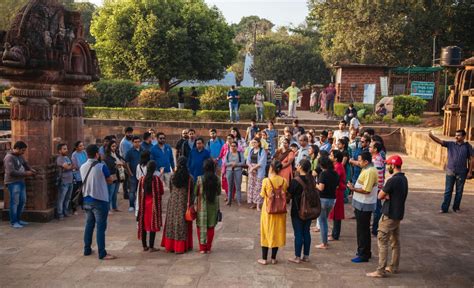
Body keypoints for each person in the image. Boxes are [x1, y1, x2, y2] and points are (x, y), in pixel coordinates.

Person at [367, 155, 408, 278]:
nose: (387, 167)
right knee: (395, 241)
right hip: (398, 214)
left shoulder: (392, 180)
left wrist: (385, 195)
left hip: (389, 214)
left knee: (382, 240)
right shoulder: (403, 179)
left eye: (389, 164)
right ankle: (394, 266)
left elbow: (380, 195)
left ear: (393, 166)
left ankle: (381, 270)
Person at [81, 144, 115, 260]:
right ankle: (102, 253)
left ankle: (87, 249)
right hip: (99, 200)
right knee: (101, 227)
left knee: (89, 225)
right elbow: (109, 180)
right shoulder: (101, 166)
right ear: (97, 154)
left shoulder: (82, 166)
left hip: (86, 199)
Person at [429, 130, 473, 213]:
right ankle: (444, 208)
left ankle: (456, 208)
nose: (456, 137)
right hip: (450, 171)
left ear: (464, 137)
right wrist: (431, 136)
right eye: (456, 135)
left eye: (459, 135)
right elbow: (440, 141)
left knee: (459, 191)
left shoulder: (467, 146)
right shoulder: (450, 144)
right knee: (448, 190)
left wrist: (470, 172)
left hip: (462, 172)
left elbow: (472, 159)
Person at [347, 151, 379, 263]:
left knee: (363, 230)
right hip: (361, 204)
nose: (358, 162)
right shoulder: (366, 169)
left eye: (360, 160)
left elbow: (366, 189)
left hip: (364, 205)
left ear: (366, 161)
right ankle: (364, 251)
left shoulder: (370, 171)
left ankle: (363, 253)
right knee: (362, 229)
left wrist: (353, 189)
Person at [161, 157, 194, 253]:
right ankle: (181, 247)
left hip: (173, 202)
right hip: (184, 203)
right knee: (182, 224)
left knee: (172, 223)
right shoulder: (189, 178)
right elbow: (191, 192)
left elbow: (171, 189)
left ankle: (170, 246)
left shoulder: (172, 177)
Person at [258, 160, 288, 265]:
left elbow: (262, 195)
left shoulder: (266, 181)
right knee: (277, 233)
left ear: (271, 168)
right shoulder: (284, 181)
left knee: (266, 232)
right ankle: (274, 258)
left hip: (268, 211)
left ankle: (264, 259)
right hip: (280, 211)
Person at [4, 141, 37, 228]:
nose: (23, 152)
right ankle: (13, 221)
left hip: (21, 181)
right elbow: (11, 172)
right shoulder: (9, 157)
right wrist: (26, 173)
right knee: (14, 202)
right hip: (12, 182)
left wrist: (31, 169)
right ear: (17, 148)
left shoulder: (19, 156)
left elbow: (25, 164)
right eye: (22, 150)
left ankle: (18, 219)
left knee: (22, 201)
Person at [288, 159, 315, 263]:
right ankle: (306, 256)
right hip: (309, 210)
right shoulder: (311, 179)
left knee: (298, 233)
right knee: (306, 232)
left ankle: (297, 257)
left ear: (301, 167)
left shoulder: (296, 180)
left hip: (297, 210)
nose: (297, 166)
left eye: (298, 165)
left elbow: (289, 194)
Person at [194, 159, 221, 253]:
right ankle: (208, 248)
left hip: (201, 206)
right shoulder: (217, 179)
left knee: (200, 226)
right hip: (213, 206)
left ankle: (202, 248)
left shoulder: (199, 179)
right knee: (211, 227)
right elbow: (218, 192)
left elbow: (195, 192)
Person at [137, 160, 164, 252]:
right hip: (153, 206)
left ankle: (144, 245)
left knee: (144, 225)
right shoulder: (156, 179)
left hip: (143, 205)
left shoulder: (142, 179)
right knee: (152, 225)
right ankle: (151, 246)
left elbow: (139, 193)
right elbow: (161, 192)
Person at [314, 156, 339, 249]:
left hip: (323, 199)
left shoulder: (323, 174)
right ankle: (325, 242)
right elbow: (336, 186)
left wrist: (315, 184)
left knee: (322, 222)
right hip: (332, 200)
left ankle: (324, 243)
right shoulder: (335, 173)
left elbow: (321, 188)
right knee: (325, 220)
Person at [103, 140, 126, 212]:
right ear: (109, 147)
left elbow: (123, 160)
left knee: (115, 192)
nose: (114, 148)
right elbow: (110, 166)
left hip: (118, 175)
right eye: (112, 146)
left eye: (115, 146)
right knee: (110, 192)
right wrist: (118, 164)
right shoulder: (107, 156)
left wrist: (120, 163)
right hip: (112, 175)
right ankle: (108, 208)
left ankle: (114, 207)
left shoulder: (116, 154)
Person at [329, 150, 346, 241]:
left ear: (335, 158)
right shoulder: (337, 166)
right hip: (337, 190)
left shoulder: (338, 167)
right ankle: (334, 233)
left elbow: (335, 179)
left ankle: (335, 234)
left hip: (338, 191)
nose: (329, 156)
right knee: (335, 213)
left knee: (337, 213)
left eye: (331, 155)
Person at [246, 138, 267, 210]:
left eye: (255, 142)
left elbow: (261, 162)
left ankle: (258, 205)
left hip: (259, 171)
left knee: (258, 188)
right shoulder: (251, 150)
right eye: (252, 142)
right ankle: (254, 203)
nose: (253, 144)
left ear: (258, 143)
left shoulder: (262, 151)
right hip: (252, 171)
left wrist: (254, 168)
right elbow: (248, 160)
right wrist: (251, 168)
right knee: (252, 187)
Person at [370, 141, 386, 236]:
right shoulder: (377, 158)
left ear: (375, 149)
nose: (369, 148)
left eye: (371, 147)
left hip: (376, 188)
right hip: (377, 187)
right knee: (377, 208)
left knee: (377, 209)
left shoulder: (376, 160)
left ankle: (375, 229)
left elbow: (376, 176)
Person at [56, 143, 74, 220]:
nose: (66, 150)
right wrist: (71, 166)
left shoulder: (67, 158)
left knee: (68, 198)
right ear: (59, 151)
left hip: (70, 180)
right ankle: (60, 214)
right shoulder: (60, 159)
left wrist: (71, 166)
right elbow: (67, 167)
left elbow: (73, 166)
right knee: (61, 198)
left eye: (66, 148)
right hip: (64, 181)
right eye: (64, 149)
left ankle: (65, 211)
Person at [125, 136, 142, 212]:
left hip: (141, 175)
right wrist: (130, 173)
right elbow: (127, 163)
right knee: (132, 191)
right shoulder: (130, 152)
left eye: (138, 141)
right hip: (133, 174)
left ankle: (140, 205)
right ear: (132, 143)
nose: (137, 143)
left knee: (141, 191)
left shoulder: (143, 150)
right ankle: (131, 205)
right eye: (135, 142)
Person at [225, 141, 245, 206]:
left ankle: (239, 201)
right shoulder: (228, 153)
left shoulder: (240, 154)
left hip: (238, 170)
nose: (233, 147)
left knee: (238, 186)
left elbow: (243, 162)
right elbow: (225, 163)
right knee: (230, 186)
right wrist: (231, 164)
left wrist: (236, 164)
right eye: (232, 146)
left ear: (237, 147)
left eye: (234, 146)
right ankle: (229, 200)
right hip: (229, 171)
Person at [71, 141, 87, 214]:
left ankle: (83, 205)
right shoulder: (74, 155)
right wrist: (83, 167)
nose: (82, 147)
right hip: (77, 175)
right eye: (80, 146)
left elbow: (87, 161)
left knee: (83, 191)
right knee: (76, 191)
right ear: (76, 147)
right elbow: (76, 166)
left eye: (82, 145)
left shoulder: (84, 152)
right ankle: (74, 208)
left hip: (84, 174)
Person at [120, 127, 134, 201]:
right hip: (125, 163)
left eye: (131, 132)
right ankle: (126, 194)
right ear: (125, 133)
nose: (130, 134)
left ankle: (127, 193)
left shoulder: (129, 140)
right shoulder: (125, 142)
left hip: (127, 162)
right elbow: (125, 155)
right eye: (128, 133)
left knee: (127, 179)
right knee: (126, 179)